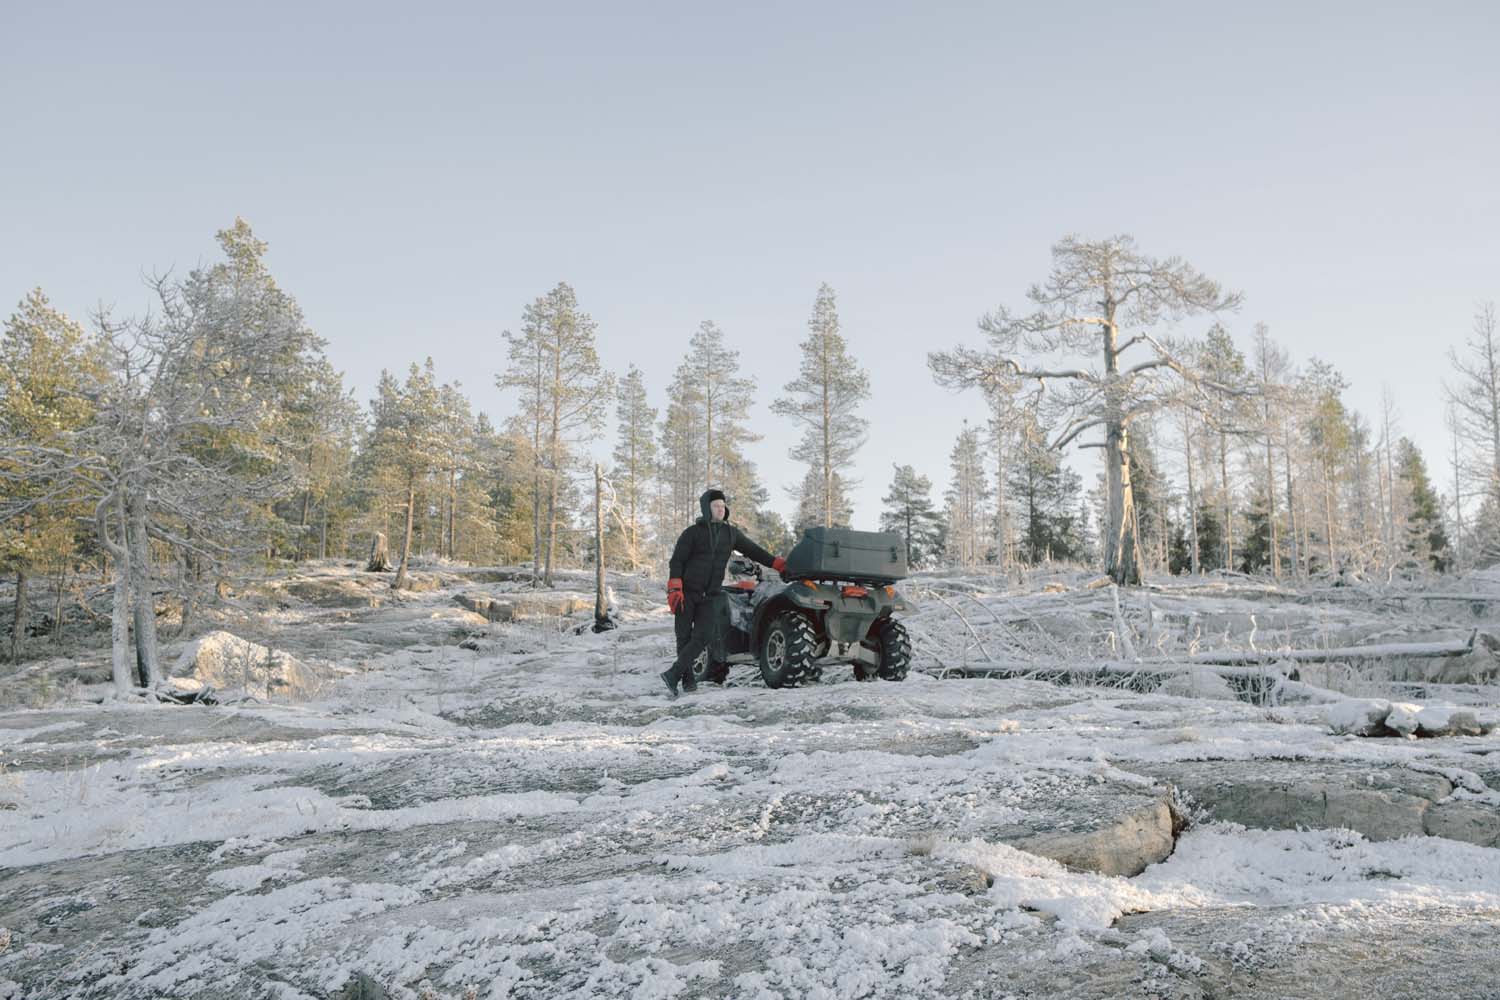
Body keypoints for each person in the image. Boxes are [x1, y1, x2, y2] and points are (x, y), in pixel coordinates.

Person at [661, 488, 785, 698]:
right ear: (706, 509)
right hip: (687, 592)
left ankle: (673, 673)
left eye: (722, 506)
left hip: (711, 594)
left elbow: (753, 550)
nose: (720, 510)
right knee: (683, 636)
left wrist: (776, 563)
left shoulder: (731, 534)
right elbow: (677, 561)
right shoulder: (692, 533)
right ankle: (688, 680)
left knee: (704, 636)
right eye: (715, 506)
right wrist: (675, 587)